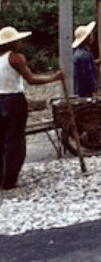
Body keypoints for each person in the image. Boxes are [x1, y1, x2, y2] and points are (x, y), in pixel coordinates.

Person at [0, 26, 64, 190]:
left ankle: (2, 177)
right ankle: (9, 180)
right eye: (18, 40)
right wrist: (53, 78)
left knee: (3, 140)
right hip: (13, 100)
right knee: (15, 141)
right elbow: (31, 79)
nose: (20, 43)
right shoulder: (15, 58)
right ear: (12, 43)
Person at [72, 21, 99, 98]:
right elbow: (88, 74)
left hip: (80, 91)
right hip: (84, 92)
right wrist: (94, 89)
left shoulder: (81, 53)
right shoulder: (84, 55)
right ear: (87, 38)